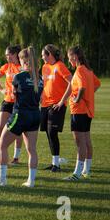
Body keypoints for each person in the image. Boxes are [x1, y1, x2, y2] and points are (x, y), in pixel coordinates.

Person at [0, 46, 43, 188]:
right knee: (32, 149)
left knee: (2, 145)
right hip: (35, 115)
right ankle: (31, 181)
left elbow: (13, 95)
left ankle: (2, 179)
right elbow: (41, 98)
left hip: (21, 114)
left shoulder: (18, 76)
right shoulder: (41, 78)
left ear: (23, 60)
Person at [63, 46, 101, 181]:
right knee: (86, 141)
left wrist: (77, 99)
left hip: (79, 111)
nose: (69, 61)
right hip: (87, 111)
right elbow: (97, 84)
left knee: (80, 143)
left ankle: (77, 173)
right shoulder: (88, 70)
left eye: (69, 58)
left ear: (75, 57)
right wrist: (88, 96)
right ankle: (86, 170)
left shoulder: (79, 70)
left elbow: (82, 88)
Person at [0, 45, 23, 166]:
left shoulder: (23, 67)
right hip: (7, 102)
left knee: (18, 131)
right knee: (0, 128)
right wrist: (2, 90)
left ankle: (16, 158)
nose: (7, 57)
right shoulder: (6, 67)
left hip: (19, 103)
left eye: (9, 55)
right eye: (6, 55)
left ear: (16, 54)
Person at [40, 44, 72, 172]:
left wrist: (62, 101)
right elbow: (45, 85)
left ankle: (57, 165)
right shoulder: (44, 67)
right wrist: (41, 96)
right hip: (45, 105)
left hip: (56, 105)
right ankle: (54, 163)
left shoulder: (60, 66)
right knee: (48, 133)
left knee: (52, 133)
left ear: (50, 55)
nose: (42, 58)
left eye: (43, 55)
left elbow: (72, 82)